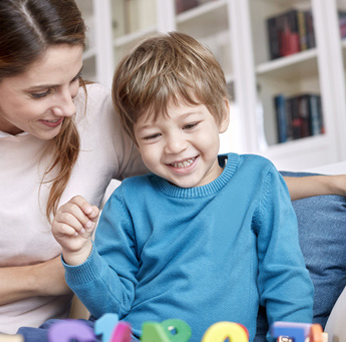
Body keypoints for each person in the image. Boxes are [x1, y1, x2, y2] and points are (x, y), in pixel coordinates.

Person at [0, 0, 343, 340]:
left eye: (75, 78)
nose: (69, 106)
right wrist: (49, 275)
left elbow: (214, 181)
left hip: (67, 329)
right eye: (41, 92)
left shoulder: (97, 110)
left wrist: (329, 182)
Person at [51, 32, 316, 342]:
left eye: (189, 125)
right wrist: (80, 254)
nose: (175, 146)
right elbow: (113, 305)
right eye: (152, 136)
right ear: (134, 140)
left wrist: (291, 335)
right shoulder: (128, 200)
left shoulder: (258, 178)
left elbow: (285, 273)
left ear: (221, 115)